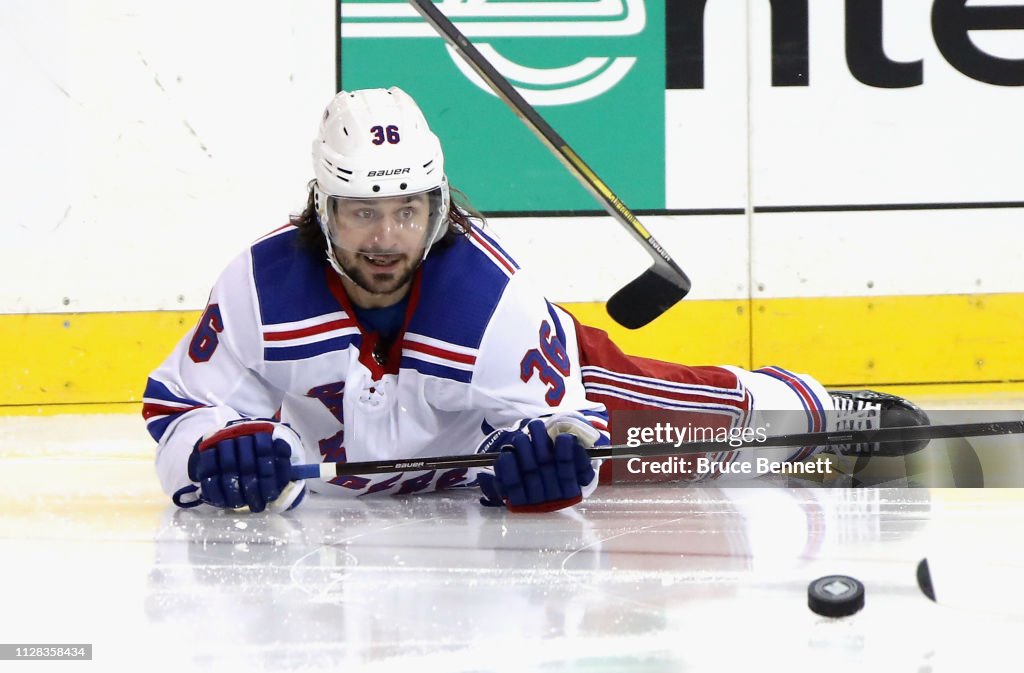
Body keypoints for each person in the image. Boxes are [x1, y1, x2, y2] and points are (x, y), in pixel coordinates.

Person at [144, 87, 929, 514]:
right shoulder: (258, 286)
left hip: (555, 377)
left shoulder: (491, 298)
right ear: (322, 210)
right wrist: (218, 450)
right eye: (360, 213)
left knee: (671, 418)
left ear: (439, 205)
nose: (386, 237)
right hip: (390, 470)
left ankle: (817, 413)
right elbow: (180, 410)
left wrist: (551, 466)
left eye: (408, 209)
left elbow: (566, 429)